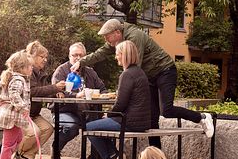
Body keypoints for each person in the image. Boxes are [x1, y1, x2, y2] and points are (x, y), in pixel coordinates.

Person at [72, 18, 215, 148]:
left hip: (164, 70)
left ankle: (201, 117)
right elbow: (100, 53)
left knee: (167, 110)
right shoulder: (118, 40)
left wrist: (122, 90)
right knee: (152, 120)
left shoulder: (134, 37)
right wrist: (81, 62)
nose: (106, 40)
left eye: (107, 36)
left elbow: (134, 69)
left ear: (117, 32)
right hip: (150, 75)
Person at [86, 41, 151, 159]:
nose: (116, 57)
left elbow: (120, 104)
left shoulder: (127, 74)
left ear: (124, 55)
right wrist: (110, 115)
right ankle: (114, 157)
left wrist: (108, 115)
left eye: (117, 54)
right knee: (100, 126)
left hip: (129, 122)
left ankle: (112, 157)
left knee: (89, 127)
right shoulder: (140, 72)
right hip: (141, 122)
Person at [14, 41, 66, 159]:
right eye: (41, 56)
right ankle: (17, 153)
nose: (45, 59)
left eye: (45, 57)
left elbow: (43, 90)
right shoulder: (26, 72)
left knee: (48, 128)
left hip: (34, 113)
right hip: (22, 112)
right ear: (31, 56)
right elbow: (33, 92)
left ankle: (25, 156)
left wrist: (56, 93)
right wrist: (54, 87)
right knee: (35, 131)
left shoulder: (40, 73)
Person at [51, 42, 107, 155]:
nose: (78, 58)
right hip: (65, 110)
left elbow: (102, 89)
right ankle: (56, 148)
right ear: (69, 56)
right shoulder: (61, 71)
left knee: (103, 125)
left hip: (87, 111)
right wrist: (75, 95)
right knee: (71, 127)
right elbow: (57, 90)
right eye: (74, 55)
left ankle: (99, 158)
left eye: (81, 55)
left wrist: (102, 95)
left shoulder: (90, 71)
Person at [0, 50, 33, 159]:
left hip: (9, 115)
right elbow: (14, 95)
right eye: (30, 66)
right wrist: (23, 107)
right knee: (8, 144)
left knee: (18, 139)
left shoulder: (9, 77)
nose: (32, 68)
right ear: (22, 67)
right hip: (12, 116)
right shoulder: (18, 80)